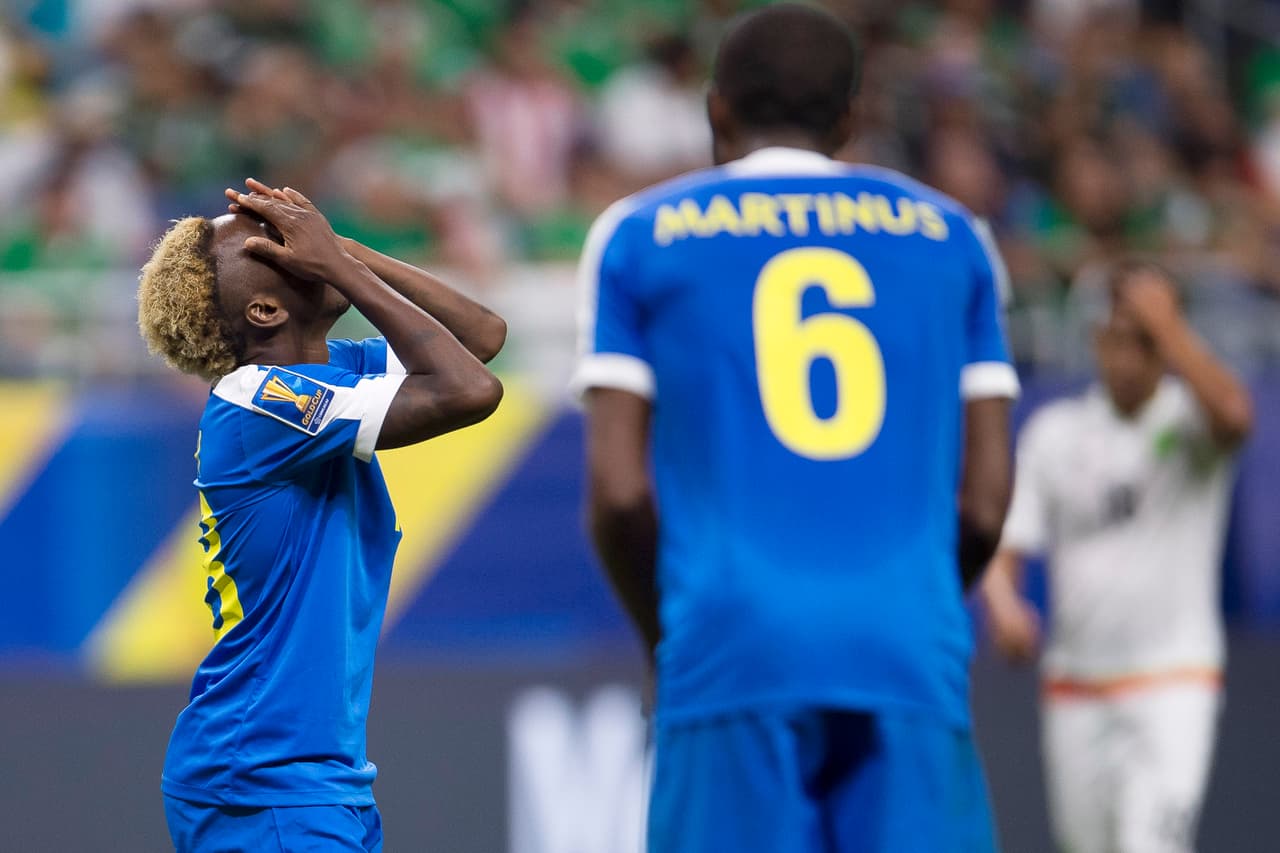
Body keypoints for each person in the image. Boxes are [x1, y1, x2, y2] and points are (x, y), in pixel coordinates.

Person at [573, 6, 1019, 851]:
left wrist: (670, 641)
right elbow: (988, 503)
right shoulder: (954, 237)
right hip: (906, 645)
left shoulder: (639, 234)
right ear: (852, 119)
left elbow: (620, 492)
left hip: (732, 641)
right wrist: (909, 604)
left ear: (716, 110)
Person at [136, 178, 506, 852]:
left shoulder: (331, 371)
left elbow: (481, 337)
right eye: (277, 244)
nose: (299, 237)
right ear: (268, 309)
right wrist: (337, 265)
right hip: (259, 777)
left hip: (312, 780)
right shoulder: (258, 402)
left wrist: (348, 251)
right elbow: (471, 391)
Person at [982, 262, 1253, 853]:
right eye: (1117, 339)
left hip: (1171, 685)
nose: (1127, 358)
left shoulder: (1188, 423)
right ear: (1097, 340)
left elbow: (1235, 416)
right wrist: (1005, 607)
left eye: (1144, 342)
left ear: (1166, 345)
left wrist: (1171, 325)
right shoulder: (1056, 432)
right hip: (1075, 688)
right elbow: (1012, 540)